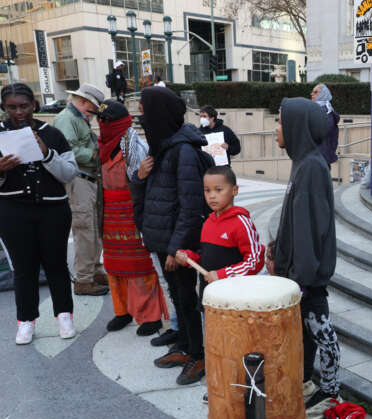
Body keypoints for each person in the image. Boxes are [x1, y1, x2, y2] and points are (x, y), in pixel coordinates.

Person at [0, 83, 78, 344]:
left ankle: (64, 315)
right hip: (12, 210)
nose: (19, 112)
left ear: (34, 105)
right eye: (12, 107)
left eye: (24, 106)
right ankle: (26, 321)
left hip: (53, 208)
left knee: (56, 264)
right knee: (23, 268)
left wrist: (46, 154)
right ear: (3, 108)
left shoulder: (52, 133)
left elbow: (69, 173)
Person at [270, 97, 341, 419]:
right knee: (307, 333)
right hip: (298, 271)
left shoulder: (312, 167)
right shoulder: (303, 162)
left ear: (297, 127)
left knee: (320, 328)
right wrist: (277, 250)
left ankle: (330, 392)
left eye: (281, 122)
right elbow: (292, 221)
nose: (276, 129)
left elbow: (312, 229)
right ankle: (311, 384)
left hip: (307, 276)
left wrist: (300, 276)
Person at [134, 86, 209, 386]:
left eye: (144, 110)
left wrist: (176, 248)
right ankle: (186, 347)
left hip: (178, 247)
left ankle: (199, 355)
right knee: (179, 298)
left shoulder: (183, 151)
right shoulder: (162, 148)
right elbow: (152, 196)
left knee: (188, 300)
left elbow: (190, 207)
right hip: (163, 242)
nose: (141, 116)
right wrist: (138, 178)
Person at [95, 99, 169, 336]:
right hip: (109, 213)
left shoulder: (134, 146)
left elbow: (145, 179)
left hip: (132, 210)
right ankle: (123, 310)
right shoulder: (102, 144)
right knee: (114, 267)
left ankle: (150, 316)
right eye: (100, 119)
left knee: (140, 266)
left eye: (107, 120)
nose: (102, 124)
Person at [175, 165, 265, 299]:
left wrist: (223, 274)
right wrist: (188, 258)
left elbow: (254, 261)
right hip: (210, 298)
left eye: (218, 190)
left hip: (235, 299)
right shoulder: (207, 223)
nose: (212, 196)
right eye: (207, 190)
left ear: (234, 190)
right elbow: (206, 257)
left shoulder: (241, 223)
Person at [53, 83, 108, 296]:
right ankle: (84, 278)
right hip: (79, 179)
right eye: (93, 109)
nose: (93, 115)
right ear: (84, 102)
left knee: (92, 228)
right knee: (85, 229)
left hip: (85, 178)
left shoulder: (75, 118)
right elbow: (68, 150)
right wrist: (95, 154)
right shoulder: (67, 119)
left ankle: (93, 271)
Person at [310, 84, 340, 167]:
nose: (312, 94)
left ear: (323, 94)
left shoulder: (325, 111)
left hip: (320, 157)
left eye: (315, 92)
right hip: (319, 156)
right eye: (312, 92)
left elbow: (323, 131)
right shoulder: (319, 109)